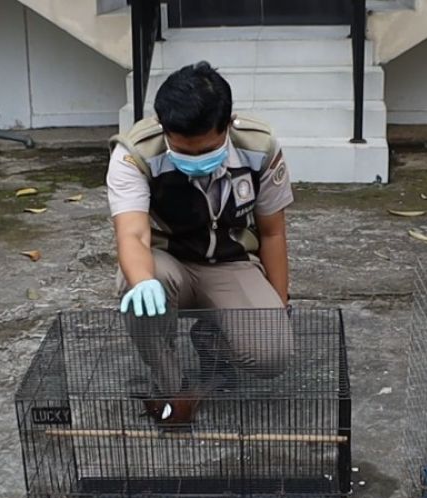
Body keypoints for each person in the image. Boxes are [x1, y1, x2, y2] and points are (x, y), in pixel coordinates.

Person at [106, 61, 295, 425]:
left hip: (232, 262)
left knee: (273, 355)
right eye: (183, 150)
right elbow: (132, 233)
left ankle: (210, 340)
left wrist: (279, 306)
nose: (194, 160)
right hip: (166, 260)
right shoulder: (135, 154)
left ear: (226, 125)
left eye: (205, 149)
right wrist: (142, 281)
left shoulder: (259, 147)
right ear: (164, 127)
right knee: (138, 287)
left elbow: (272, 232)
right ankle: (174, 387)